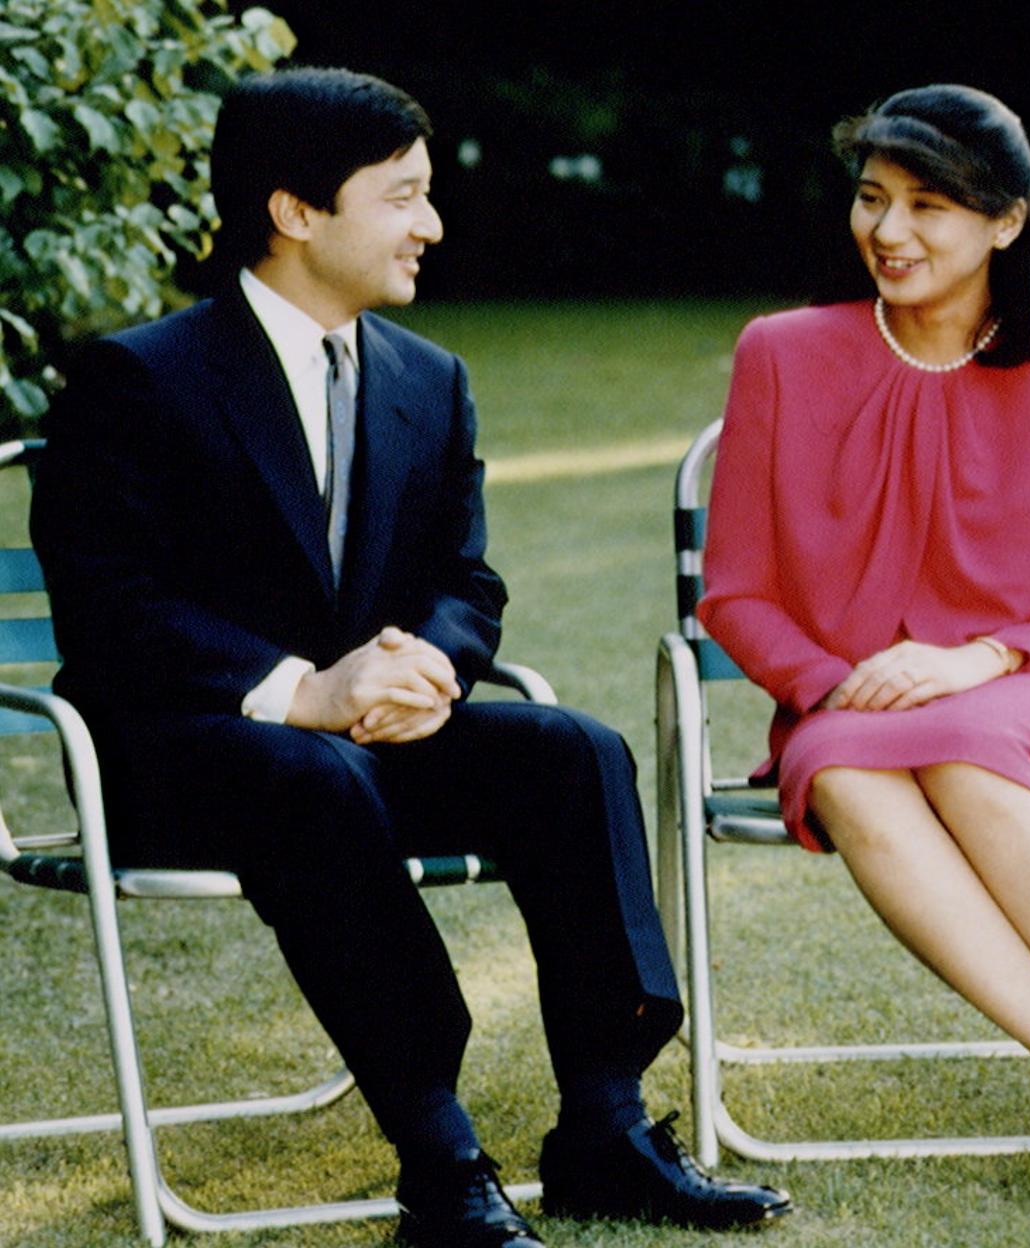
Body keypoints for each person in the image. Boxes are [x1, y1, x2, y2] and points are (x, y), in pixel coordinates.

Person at [31, 66, 791, 1247]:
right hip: (182, 756)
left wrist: (428, 664)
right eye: (401, 196)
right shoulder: (137, 379)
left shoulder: (429, 381)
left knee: (571, 753)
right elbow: (113, 609)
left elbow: (466, 582)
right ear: (293, 213)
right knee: (311, 774)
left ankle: (605, 1127)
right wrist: (305, 693)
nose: (431, 224)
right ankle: (442, 1166)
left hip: (374, 746)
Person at [698, 83, 1030, 1199]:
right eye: (871, 200)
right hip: (847, 709)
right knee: (847, 771)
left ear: (1006, 221)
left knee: (966, 749)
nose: (888, 233)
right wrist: (831, 685)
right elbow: (736, 594)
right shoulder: (782, 353)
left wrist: (975, 660)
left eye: (928, 207)